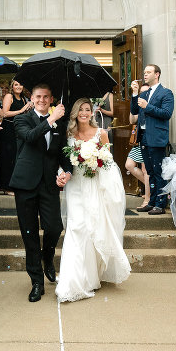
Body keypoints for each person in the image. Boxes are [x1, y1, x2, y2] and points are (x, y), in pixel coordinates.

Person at [55, 99, 130, 302]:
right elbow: (62, 160)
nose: (84, 113)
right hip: (75, 187)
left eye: (88, 109)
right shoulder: (68, 134)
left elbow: (110, 165)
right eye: (81, 109)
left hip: (94, 186)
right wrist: (62, 173)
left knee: (91, 229)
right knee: (76, 227)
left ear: (92, 113)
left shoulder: (102, 134)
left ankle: (90, 277)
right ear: (75, 113)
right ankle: (72, 281)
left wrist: (94, 163)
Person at [10, 83, 72, 302]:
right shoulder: (22, 119)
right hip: (25, 183)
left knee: (55, 227)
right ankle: (36, 281)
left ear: (51, 97)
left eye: (46, 96)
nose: (42, 100)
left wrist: (68, 172)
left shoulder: (59, 123)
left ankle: (48, 256)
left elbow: (63, 153)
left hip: (48, 184)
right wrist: (51, 118)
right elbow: (30, 137)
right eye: (38, 96)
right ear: (32, 98)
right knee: (29, 234)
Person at [130, 64, 174, 215]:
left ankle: (161, 204)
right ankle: (153, 201)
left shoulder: (166, 93)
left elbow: (166, 113)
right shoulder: (144, 93)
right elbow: (134, 110)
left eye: (148, 72)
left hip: (157, 138)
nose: (145, 75)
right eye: (144, 72)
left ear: (157, 74)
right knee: (149, 171)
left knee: (159, 171)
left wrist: (148, 106)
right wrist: (135, 93)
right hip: (144, 138)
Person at [0, 80, 33, 194]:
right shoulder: (9, 96)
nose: (19, 86)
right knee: (8, 158)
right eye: (16, 84)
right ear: (12, 86)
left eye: (21, 84)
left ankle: (14, 184)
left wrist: (28, 109)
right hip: (8, 129)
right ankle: (6, 187)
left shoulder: (23, 98)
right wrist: (22, 110)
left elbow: (22, 114)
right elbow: (5, 113)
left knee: (16, 157)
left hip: (18, 130)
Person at [126, 85, 150, 209]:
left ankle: (147, 199)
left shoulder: (150, 106)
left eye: (145, 92)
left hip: (148, 140)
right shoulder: (139, 106)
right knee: (129, 165)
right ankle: (151, 187)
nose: (143, 94)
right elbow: (132, 120)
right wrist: (134, 106)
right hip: (138, 141)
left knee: (146, 170)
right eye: (141, 92)